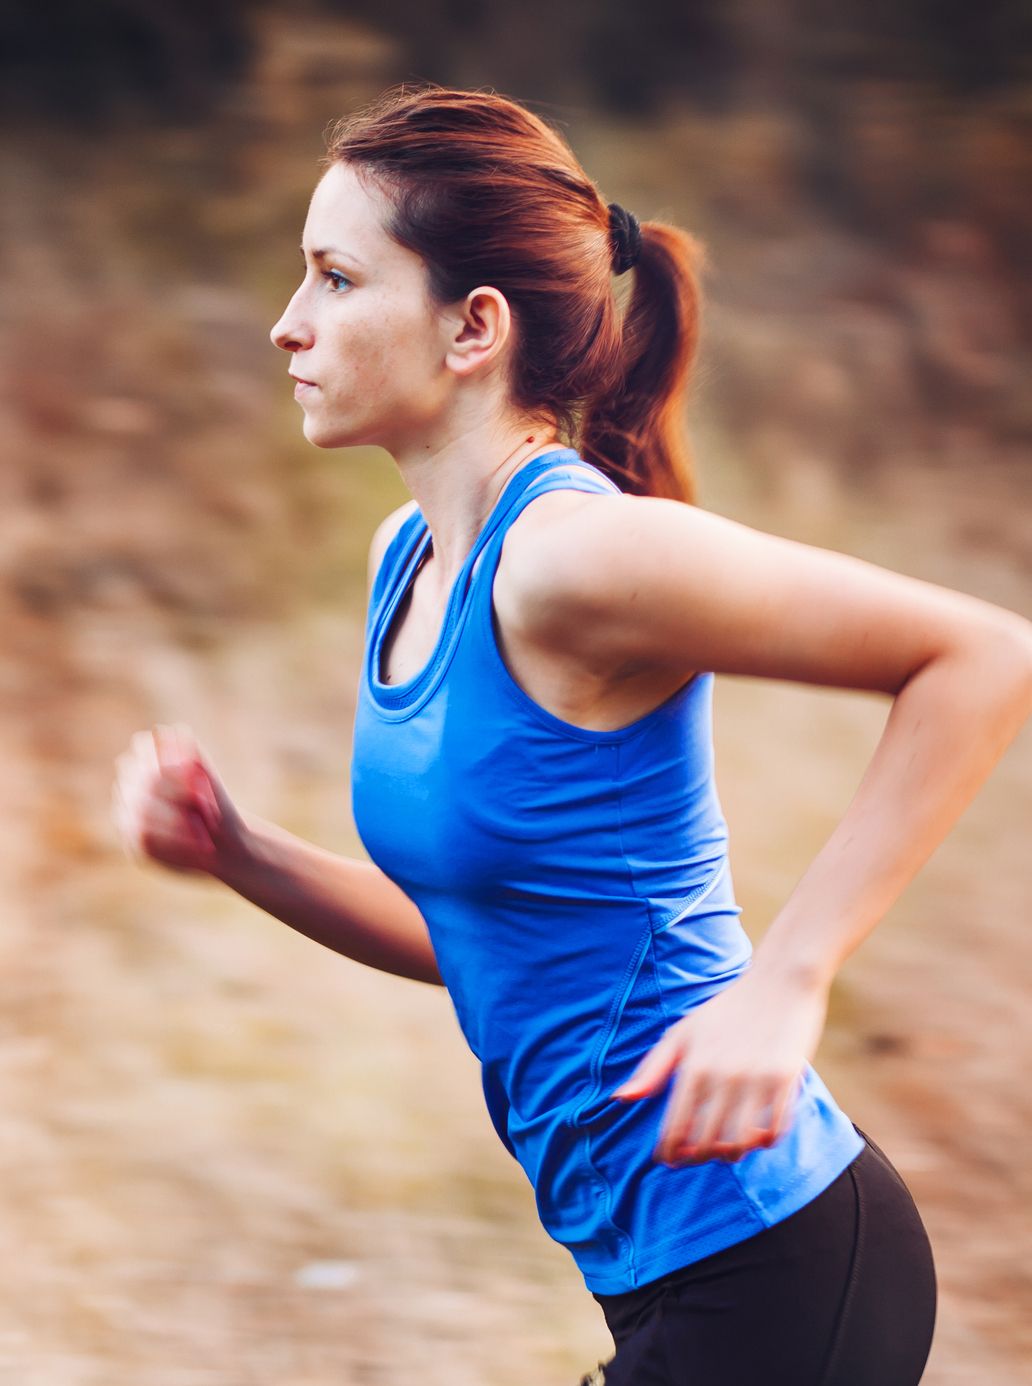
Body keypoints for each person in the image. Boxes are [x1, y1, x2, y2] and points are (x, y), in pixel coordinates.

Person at [111, 82, 1032, 1385]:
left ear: (472, 326)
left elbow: (983, 656)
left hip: (768, 1261)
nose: (287, 324)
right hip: (658, 1269)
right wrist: (241, 852)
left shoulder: (576, 559)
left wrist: (789, 979)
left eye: (334, 278)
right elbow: (480, 942)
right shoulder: (411, 564)